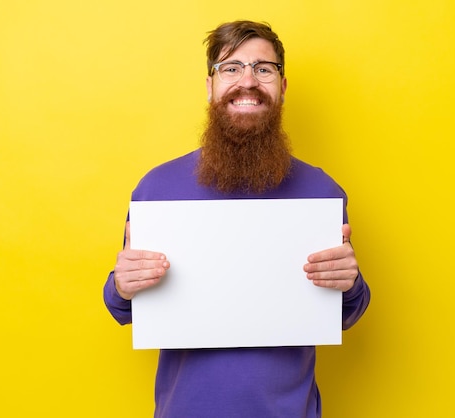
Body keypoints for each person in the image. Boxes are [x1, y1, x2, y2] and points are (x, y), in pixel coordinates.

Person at [103, 20, 370, 418]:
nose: (248, 81)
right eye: (231, 68)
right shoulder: (156, 188)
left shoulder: (322, 191)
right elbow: (120, 305)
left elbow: (348, 311)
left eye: (264, 69)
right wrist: (122, 286)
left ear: (282, 86)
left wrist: (349, 283)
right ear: (209, 85)